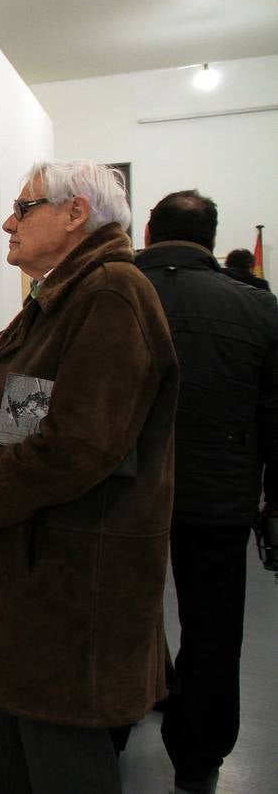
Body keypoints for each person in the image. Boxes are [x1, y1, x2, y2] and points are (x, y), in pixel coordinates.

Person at [0, 160, 178, 793]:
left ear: (74, 214)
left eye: (23, 206)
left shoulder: (111, 295)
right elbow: (15, 417)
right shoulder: (63, 298)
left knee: (60, 766)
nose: (8, 222)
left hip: (69, 593)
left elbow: (73, 449)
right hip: (30, 588)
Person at [137, 191, 278, 794]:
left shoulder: (99, 291)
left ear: (147, 230)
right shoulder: (258, 308)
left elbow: (34, 392)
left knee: (113, 614)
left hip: (117, 494)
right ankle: (198, 762)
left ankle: (105, 729)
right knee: (214, 631)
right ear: (213, 239)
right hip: (217, 496)